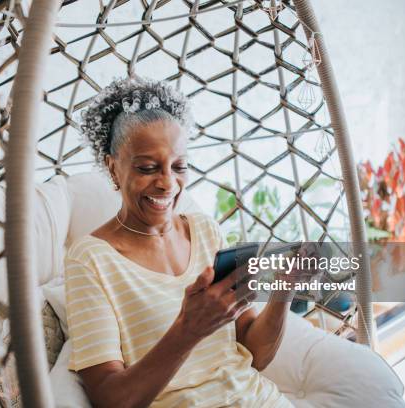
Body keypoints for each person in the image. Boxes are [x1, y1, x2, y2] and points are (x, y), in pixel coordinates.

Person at [64, 76, 300, 407]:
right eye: (148, 167)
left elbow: (255, 355)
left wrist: (283, 293)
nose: (167, 183)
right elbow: (110, 398)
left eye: (179, 166)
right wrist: (189, 329)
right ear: (113, 168)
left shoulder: (205, 231)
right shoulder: (90, 260)